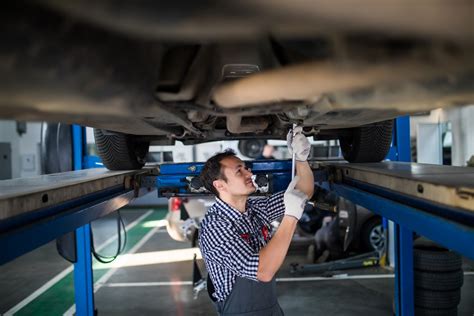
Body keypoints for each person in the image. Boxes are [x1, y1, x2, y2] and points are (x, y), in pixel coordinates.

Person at [199, 126, 314, 315]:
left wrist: (301, 159)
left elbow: (304, 192)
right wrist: (291, 217)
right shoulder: (215, 227)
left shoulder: (255, 209)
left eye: (246, 168)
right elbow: (263, 271)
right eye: (239, 171)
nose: (249, 173)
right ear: (220, 185)